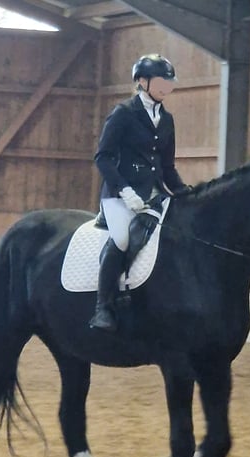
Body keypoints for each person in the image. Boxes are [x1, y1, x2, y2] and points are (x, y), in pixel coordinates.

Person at [89, 54, 190, 332]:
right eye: (161, 81)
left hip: (155, 194)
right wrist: (124, 190)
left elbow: (167, 167)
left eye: (169, 82)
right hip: (119, 194)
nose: (166, 87)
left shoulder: (167, 120)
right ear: (142, 82)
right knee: (122, 238)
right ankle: (103, 306)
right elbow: (103, 157)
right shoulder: (123, 113)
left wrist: (185, 192)